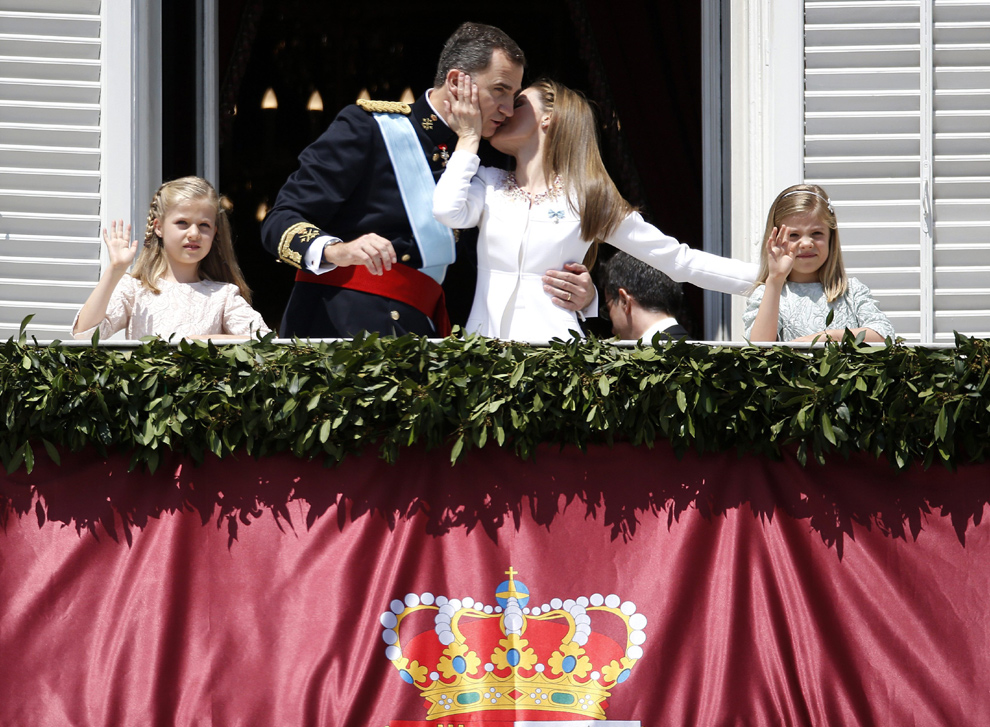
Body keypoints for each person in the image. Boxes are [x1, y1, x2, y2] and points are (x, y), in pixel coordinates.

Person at [260, 22, 596, 338]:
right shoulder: (370, 128)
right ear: (455, 82)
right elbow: (281, 221)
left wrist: (584, 294)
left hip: (427, 340)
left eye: (514, 96)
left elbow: (501, 266)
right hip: (341, 330)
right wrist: (336, 250)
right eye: (500, 91)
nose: (508, 109)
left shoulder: (492, 158)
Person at [432, 76, 758, 341]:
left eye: (518, 103)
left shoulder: (588, 198)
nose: (504, 111)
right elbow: (447, 211)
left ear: (549, 118)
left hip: (557, 364)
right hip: (485, 362)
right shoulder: (487, 182)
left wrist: (769, 278)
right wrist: (468, 138)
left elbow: (677, 260)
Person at [72, 176, 270, 340]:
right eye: (182, 223)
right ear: (159, 227)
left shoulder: (223, 296)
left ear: (215, 232)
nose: (194, 233)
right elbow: (84, 335)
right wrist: (115, 270)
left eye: (204, 225)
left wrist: (202, 341)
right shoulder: (135, 289)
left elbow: (266, 342)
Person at [743, 184, 895, 342]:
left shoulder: (851, 292)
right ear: (774, 239)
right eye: (794, 235)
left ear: (831, 237)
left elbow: (885, 334)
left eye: (816, 233)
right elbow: (759, 348)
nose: (806, 243)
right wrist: (775, 280)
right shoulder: (769, 293)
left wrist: (826, 338)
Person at [599, 251, 689, 341]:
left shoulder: (657, 353)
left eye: (608, 309)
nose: (613, 331)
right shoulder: (698, 350)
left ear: (624, 301)